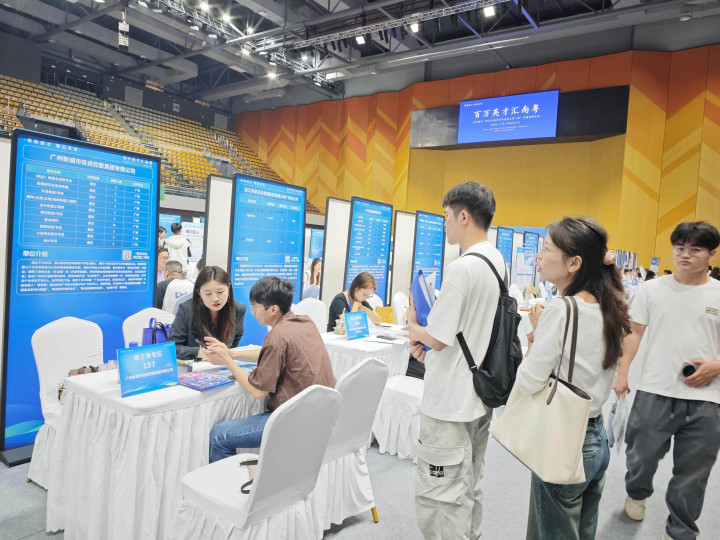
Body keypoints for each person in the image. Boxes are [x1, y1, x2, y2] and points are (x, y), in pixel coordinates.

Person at [516, 217, 630, 540]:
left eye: (547, 248)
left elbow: (527, 382)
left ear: (574, 263)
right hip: (596, 438)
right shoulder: (609, 306)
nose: (539, 255)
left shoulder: (562, 310)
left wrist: (535, 339)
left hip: (564, 438)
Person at [405, 181, 505, 540]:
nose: (444, 223)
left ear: (464, 216)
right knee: (469, 483)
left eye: (446, 215)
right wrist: (429, 341)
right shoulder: (496, 260)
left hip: (450, 402)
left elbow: (438, 337)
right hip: (478, 395)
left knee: (441, 497)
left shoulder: (463, 269)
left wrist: (413, 325)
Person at [613, 221, 720, 540]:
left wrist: (717, 366)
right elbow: (633, 332)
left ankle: (680, 530)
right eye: (680, 248)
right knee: (640, 456)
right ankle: (637, 492)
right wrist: (622, 373)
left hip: (706, 397)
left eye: (695, 249)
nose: (685, 254)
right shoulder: (652, 289)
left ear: (712, 254)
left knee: (694, 473)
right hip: (654, 390)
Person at [206, 276, 335, 462]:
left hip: (294, 419)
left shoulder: (277, 336)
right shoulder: (304, 322)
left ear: (273, 309)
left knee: (219, 436)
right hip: (321, 411)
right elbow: (271, 352)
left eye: (255, 307)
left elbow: (258, 391)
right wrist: (232, 354)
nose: (253, 313)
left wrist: (227, 361)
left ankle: (226, 481)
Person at [168, 266, 245, 360]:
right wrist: (199, 352)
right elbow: (173, 347)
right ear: (199, 293)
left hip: (223, 364)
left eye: (220, 292)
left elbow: (236, 338)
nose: (215, 298)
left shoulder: (238, 309)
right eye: (208, 294)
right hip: (196, 365)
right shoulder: (187, 309)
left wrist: (227, 353)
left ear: (229, 288)